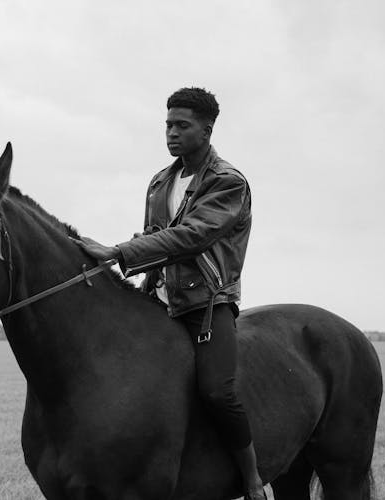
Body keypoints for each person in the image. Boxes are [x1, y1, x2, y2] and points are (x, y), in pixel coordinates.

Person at [73, 87, 265, 500]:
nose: (172, 133)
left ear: (207, 130)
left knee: (217, 391)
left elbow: (191, 236)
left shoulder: (228, 182)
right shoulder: (161, 181)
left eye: (182, 125)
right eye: (168, 125)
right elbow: (155, 237)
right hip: (158, 299)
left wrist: (118, 252)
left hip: (206, 304)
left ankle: (251, 479)